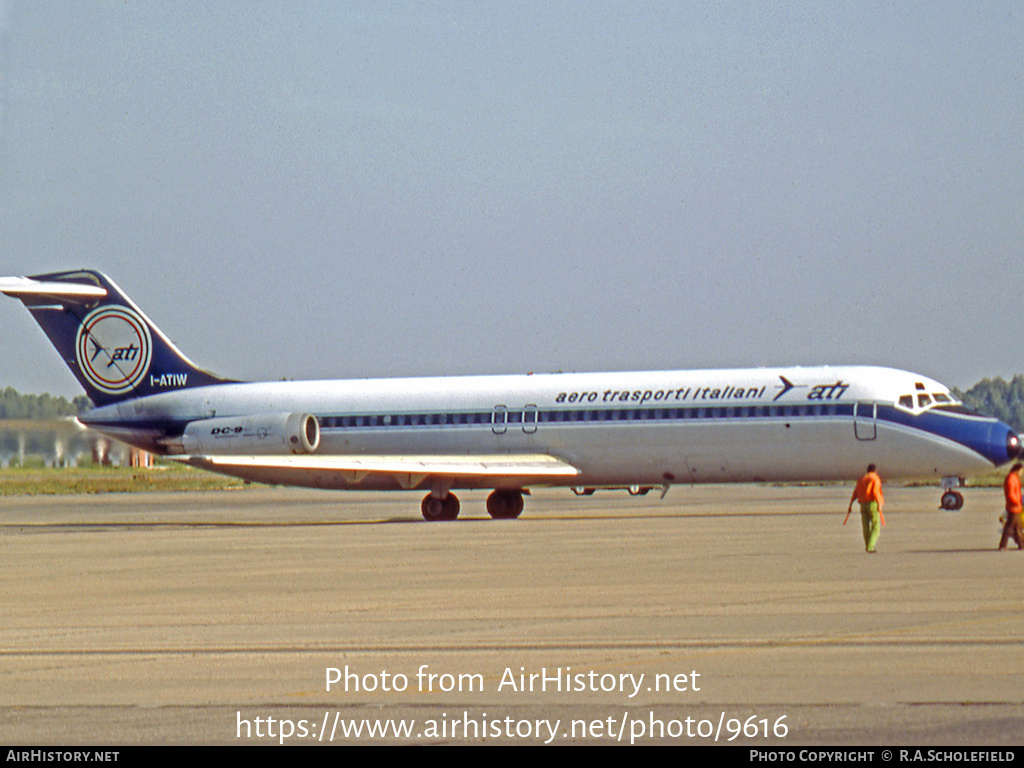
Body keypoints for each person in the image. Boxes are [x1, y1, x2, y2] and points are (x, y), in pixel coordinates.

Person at [847, 464, 884, 552]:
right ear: (875, 471)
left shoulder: (861, 479)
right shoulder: (874, 478)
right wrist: (879, 504)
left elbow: (855, 493)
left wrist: (850, 505)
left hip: (862, 505)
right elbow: (875, 492)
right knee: (876, 527)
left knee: (865, 527)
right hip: (872, 504)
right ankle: (870, 546)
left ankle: (868, 545)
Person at [998, 462, 1024, 550]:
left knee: (1018, 528)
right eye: (1021, 471)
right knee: (1009, 527)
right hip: (1013, 507)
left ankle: (1022, 545)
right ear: (1018, 470)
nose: (1022, 473)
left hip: (1016, 507)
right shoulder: (1011, 479)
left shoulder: (1014, 478)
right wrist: (1017, 502)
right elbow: (1011, 494)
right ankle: (1003, 545)